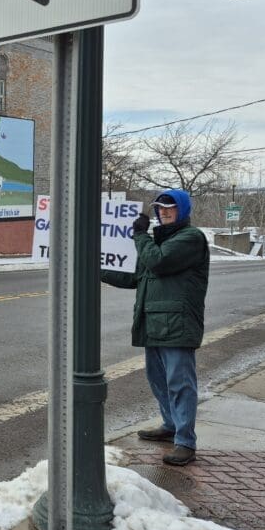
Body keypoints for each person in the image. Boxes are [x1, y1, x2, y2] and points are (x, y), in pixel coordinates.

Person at [101, 189, 209, 467]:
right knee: (158, 380)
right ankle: (171, 425)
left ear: (182, 210)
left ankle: (185, 441)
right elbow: (135, 277)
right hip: (153, 324)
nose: (164, 211)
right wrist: (96, 267)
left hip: (177, 325)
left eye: (170, 207)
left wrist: (139, 235)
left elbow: (158, 262)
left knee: (180, 384)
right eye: (160, 208)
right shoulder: (159, 242)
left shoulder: (190, 238)